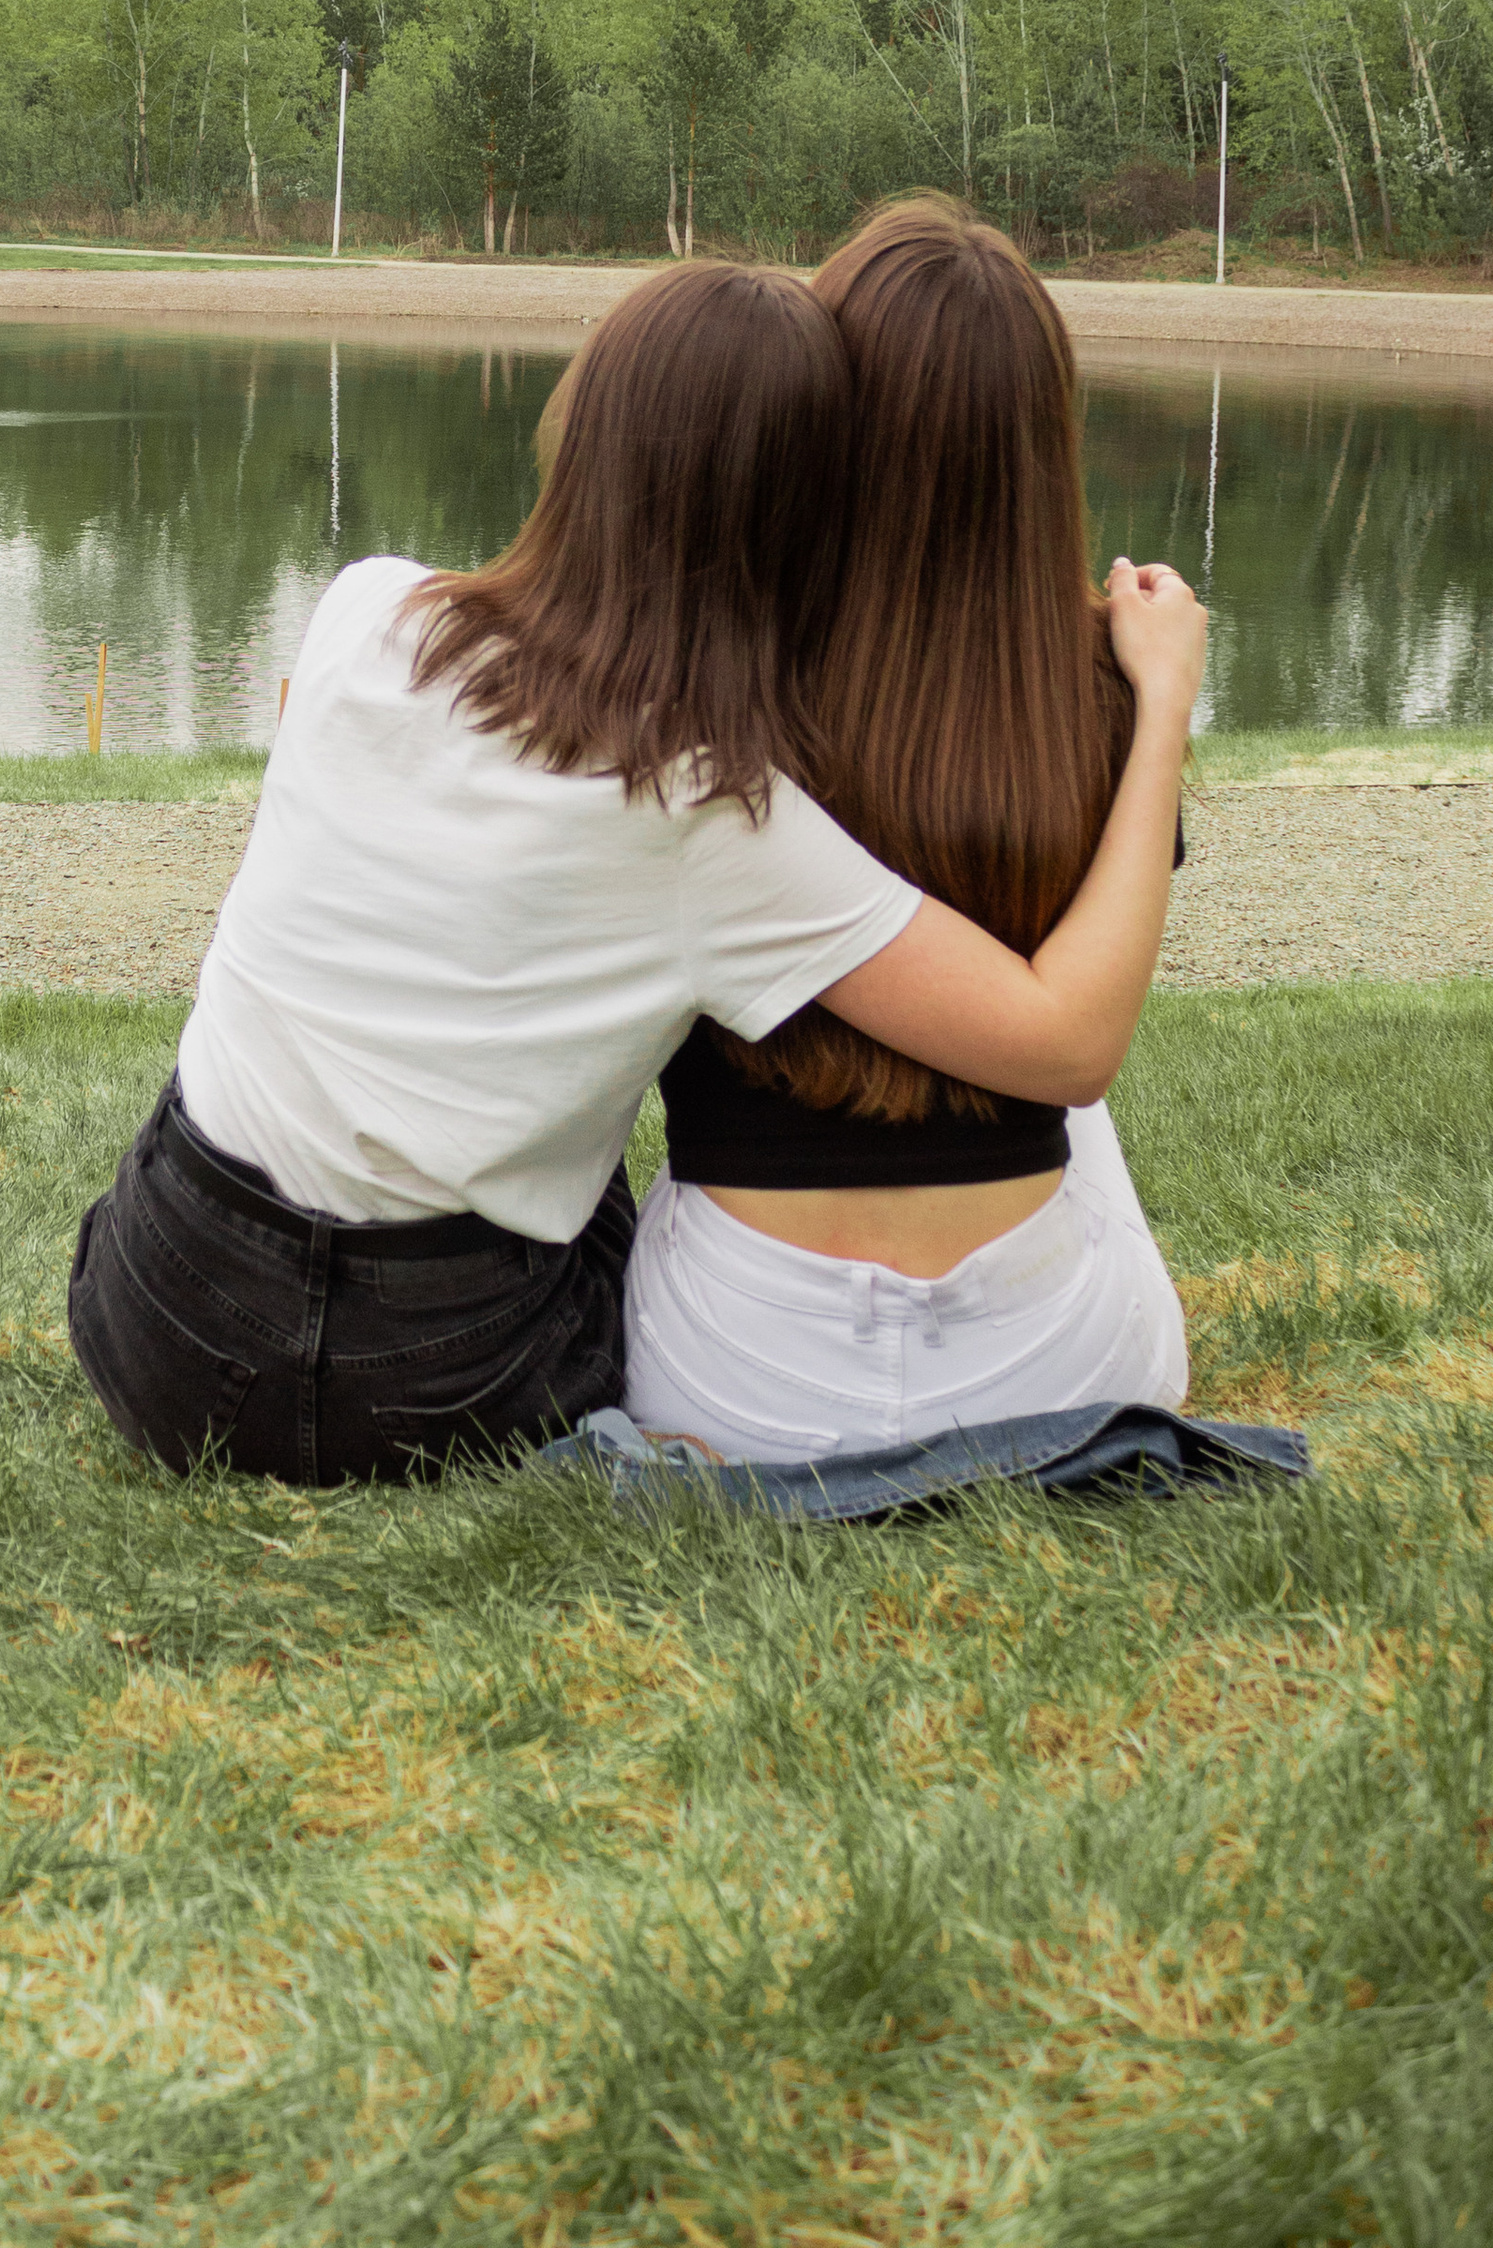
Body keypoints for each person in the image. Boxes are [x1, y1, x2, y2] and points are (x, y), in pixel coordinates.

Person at [68, 262, 923, 1486]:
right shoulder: (720, 813)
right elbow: (1056, 1045)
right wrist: (1153, 703)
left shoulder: (365, 613)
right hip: (446, 1380)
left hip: (164, 1323)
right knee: (626, 1182)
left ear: (581, 429)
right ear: (797, 518)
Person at [623, 199, 1206, 1466]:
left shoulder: (706, 678)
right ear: (1043, 444)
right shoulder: (1091, 692)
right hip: (1063, 1377)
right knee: (1073, 1089)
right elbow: (1082, 1046)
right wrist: (1160, 703)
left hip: (732, 1381)